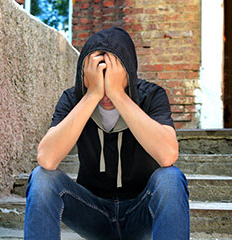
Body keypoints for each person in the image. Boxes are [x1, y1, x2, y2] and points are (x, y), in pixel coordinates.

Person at [24, 27, 190, 240]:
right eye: (97, 75)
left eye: (111, 75)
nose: (104, 84)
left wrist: (118, 94)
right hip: (93, 212)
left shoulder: (151, 96)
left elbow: (168, 155)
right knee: (41, 178)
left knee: (171, 178)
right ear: (84, 75)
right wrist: (92, 94)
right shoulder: (73, 99)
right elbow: (46, 159)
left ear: (128, 72)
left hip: (141, 209)